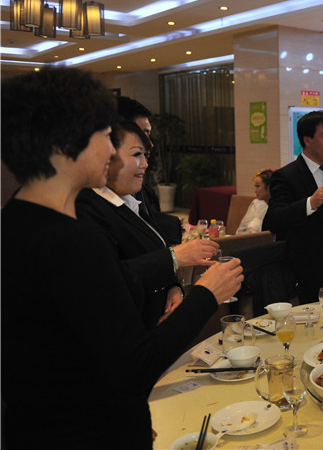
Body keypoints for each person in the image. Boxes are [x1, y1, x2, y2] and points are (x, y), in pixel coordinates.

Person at [1, 68, 243, 448]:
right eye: (103, 135)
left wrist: (119, 416)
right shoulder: (70, 240)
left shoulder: (16, 219)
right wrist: (206, 295)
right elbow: (136, 363)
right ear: (66, 141)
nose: (112, 151)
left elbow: (74, 350)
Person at [76, 121, 221, 328]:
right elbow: (107, 279)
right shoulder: (87, 209)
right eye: (137, 154)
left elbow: (154, 252)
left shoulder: (131, 200)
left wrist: (174, 288)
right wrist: (174, 257)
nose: (144, 164)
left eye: (146, 155)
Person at [263, 111, 323, 303]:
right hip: (313, 270)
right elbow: (273, 220)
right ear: (307, 140)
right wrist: (310, 203)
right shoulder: (287, 176)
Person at [117, 96, 182, 245]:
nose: (150, 144)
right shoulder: (92, 206)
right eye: (143, 134)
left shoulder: (138, 191)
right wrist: (173, 256)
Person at [236, 168, 274, 234]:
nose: (255, 191)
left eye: (257, 186)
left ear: (269, 187)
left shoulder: (277, 209)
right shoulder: (256, 204)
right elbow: (242, 230)